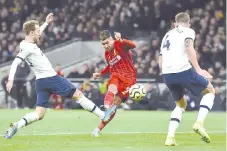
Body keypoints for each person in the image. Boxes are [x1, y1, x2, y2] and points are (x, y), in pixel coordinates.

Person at [4, 13, 105, 139]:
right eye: (37, 31)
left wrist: (46, 23)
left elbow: (38, 31)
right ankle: (102, 115)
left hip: (40, 82)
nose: (40, 33)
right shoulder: (28, 48)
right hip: (51, 78)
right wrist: (10, 80)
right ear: (31, 33)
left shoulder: (25, 43)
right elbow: (15, 63)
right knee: (78, 95)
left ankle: (17, 125)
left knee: (39, 114)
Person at [159, 12, 215, 146]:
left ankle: (170, 137)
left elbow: (160, 57)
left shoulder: (167, 34)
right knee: (210, 90)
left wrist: (165, 71)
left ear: (175, 24)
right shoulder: (188, 31)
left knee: (181, 105)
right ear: (188, 23)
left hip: (167, 73)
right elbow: (189, 47)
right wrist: (198, 69)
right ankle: (199, 123)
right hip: (182, 70)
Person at [91, 30, 136, 137]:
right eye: (103, 44)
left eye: (107, 42)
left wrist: (121, 40)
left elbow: (133, 45)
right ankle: (105, 108)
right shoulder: (107, 54)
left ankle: (100, 126)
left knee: (115, 105)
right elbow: (110, 66)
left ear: (111, 39)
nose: (105, 46)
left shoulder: (118, 44)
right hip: (116, 75)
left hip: (129, 78)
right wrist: (100, 73)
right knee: (112, 88)